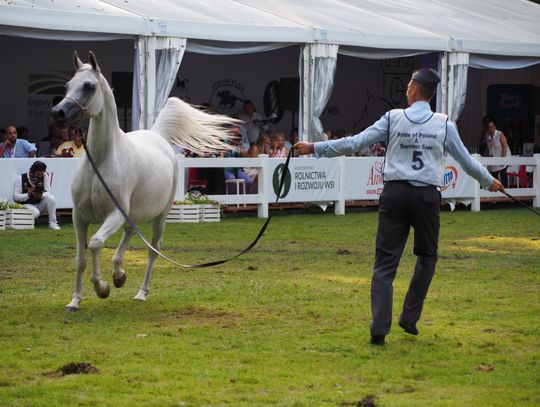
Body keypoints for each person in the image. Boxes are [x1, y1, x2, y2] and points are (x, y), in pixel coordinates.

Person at [294, 68, 504, 346]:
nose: (405, 89)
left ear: (415, 90)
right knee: (427, 258)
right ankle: (409, 316)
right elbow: (466, 161)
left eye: (408, 85)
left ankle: (379, 327)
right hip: (427, 198)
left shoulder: (393, 118)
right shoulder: (443, 124)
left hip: (394, 195)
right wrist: (489, 182)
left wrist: (315, 148)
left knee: (384, 265)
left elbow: (356, 142)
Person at [13, 160, 61, 230]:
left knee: (52, 198)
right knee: (36, 213)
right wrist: (28, 195)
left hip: (39, 204)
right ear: (32, 172)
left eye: (42, 173)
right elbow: (15, 197)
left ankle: (53, 223)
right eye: (38, 174)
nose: (40, 176)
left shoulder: (44, 176)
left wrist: (41, 195)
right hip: (27, 204)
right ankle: (23, 222)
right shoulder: (21, 178)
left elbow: (48, 193)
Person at [486, 120, 510, 188]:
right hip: (495, 157)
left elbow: (505, 147)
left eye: (492, 126)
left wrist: (502, 159)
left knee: (503, 173)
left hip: (504, 156)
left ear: (495, 127)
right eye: (489, 127)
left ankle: (505, 190)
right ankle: (496, 191)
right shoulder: (488, 136)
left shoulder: (500, 134)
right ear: (488, 128)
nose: (491, 128)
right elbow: (490, 150)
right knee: (494, 174)